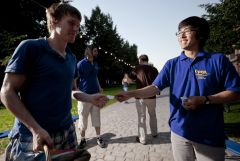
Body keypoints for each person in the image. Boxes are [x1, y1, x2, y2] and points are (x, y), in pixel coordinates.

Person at [115, 16, 240, 161]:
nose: (181, 35)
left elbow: (235, 93)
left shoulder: (218, 60)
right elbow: (155, 88)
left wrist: (205, 100)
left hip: (209, 135)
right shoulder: (171, 64)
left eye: (187, 31)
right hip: (178, 133)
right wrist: (131, 93)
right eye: (179, 32)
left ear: (200, 34)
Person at [0, 3, 108, 161]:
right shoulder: (31, 48)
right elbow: (6, 92)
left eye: (78, 26)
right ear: (53, 21)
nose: (76, 29)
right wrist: (35, 129)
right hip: (33, 136)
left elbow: (70, 91)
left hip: (67, 131)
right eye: (71, 23)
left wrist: (89, 98)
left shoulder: (71, 58)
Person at [77, 45, 105, 148]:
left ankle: (98, 137)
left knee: (96, 117)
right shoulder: (80, 64)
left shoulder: (96, 64)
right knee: (83, 119)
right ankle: (83, 140)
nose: (97, 52)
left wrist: (99, 87)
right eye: (95, 50)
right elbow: (76, 79)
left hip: (96, 95)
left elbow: (95, 76)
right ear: (89, 51)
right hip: (84, 96)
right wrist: (78, 93)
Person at [127, 54, 159, 145]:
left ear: (140, 60)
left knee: (141, 117)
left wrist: (127, 78)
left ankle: (143, 139)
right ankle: (154, 133)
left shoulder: (136, 69)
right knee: (153, 115)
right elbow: (158, 82)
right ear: (147, 60)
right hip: (151, 96)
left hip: (140, 97)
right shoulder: (154, 69)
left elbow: (129, 81)